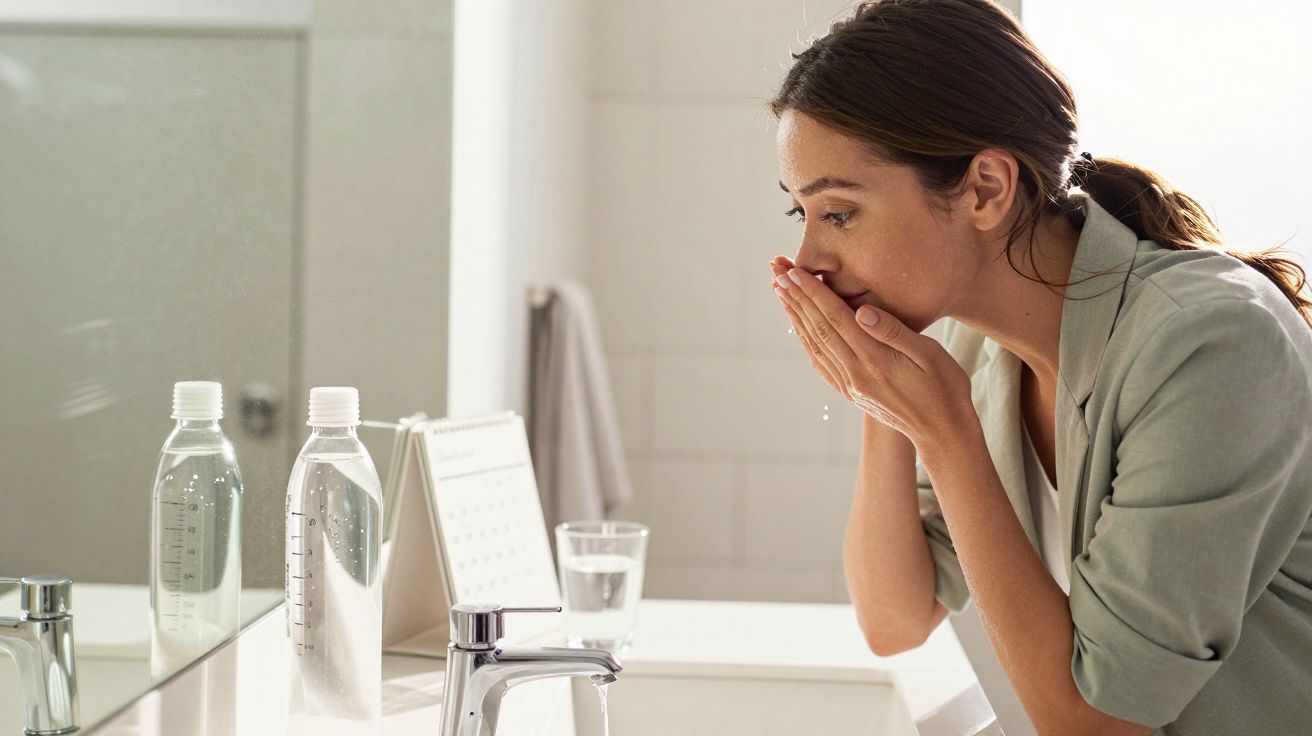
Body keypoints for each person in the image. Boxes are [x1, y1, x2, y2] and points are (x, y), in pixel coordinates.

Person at [766, 1, 1312, 734]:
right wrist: (884, 396)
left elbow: (1095, 723)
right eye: (799, 216)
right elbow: (894, 618)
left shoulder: (1211, 344)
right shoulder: (973, 345)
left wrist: (946, 430)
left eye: (838, 212)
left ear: (986, 188)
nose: (809, 262)